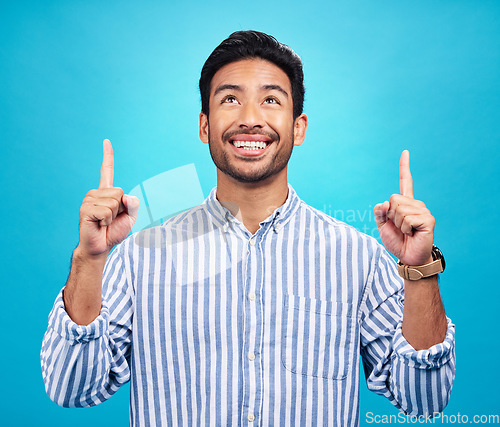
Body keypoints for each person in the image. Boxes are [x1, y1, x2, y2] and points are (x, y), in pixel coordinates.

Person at [41, 30, 455, 426]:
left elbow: (424, 399)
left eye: (271, 100)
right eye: (231, 99)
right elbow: (71, 388)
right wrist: (90, 260)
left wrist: (419, 272)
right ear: (205, 127)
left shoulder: (357, 258)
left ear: (299, 127)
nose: (251, 119)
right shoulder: (141, 256)